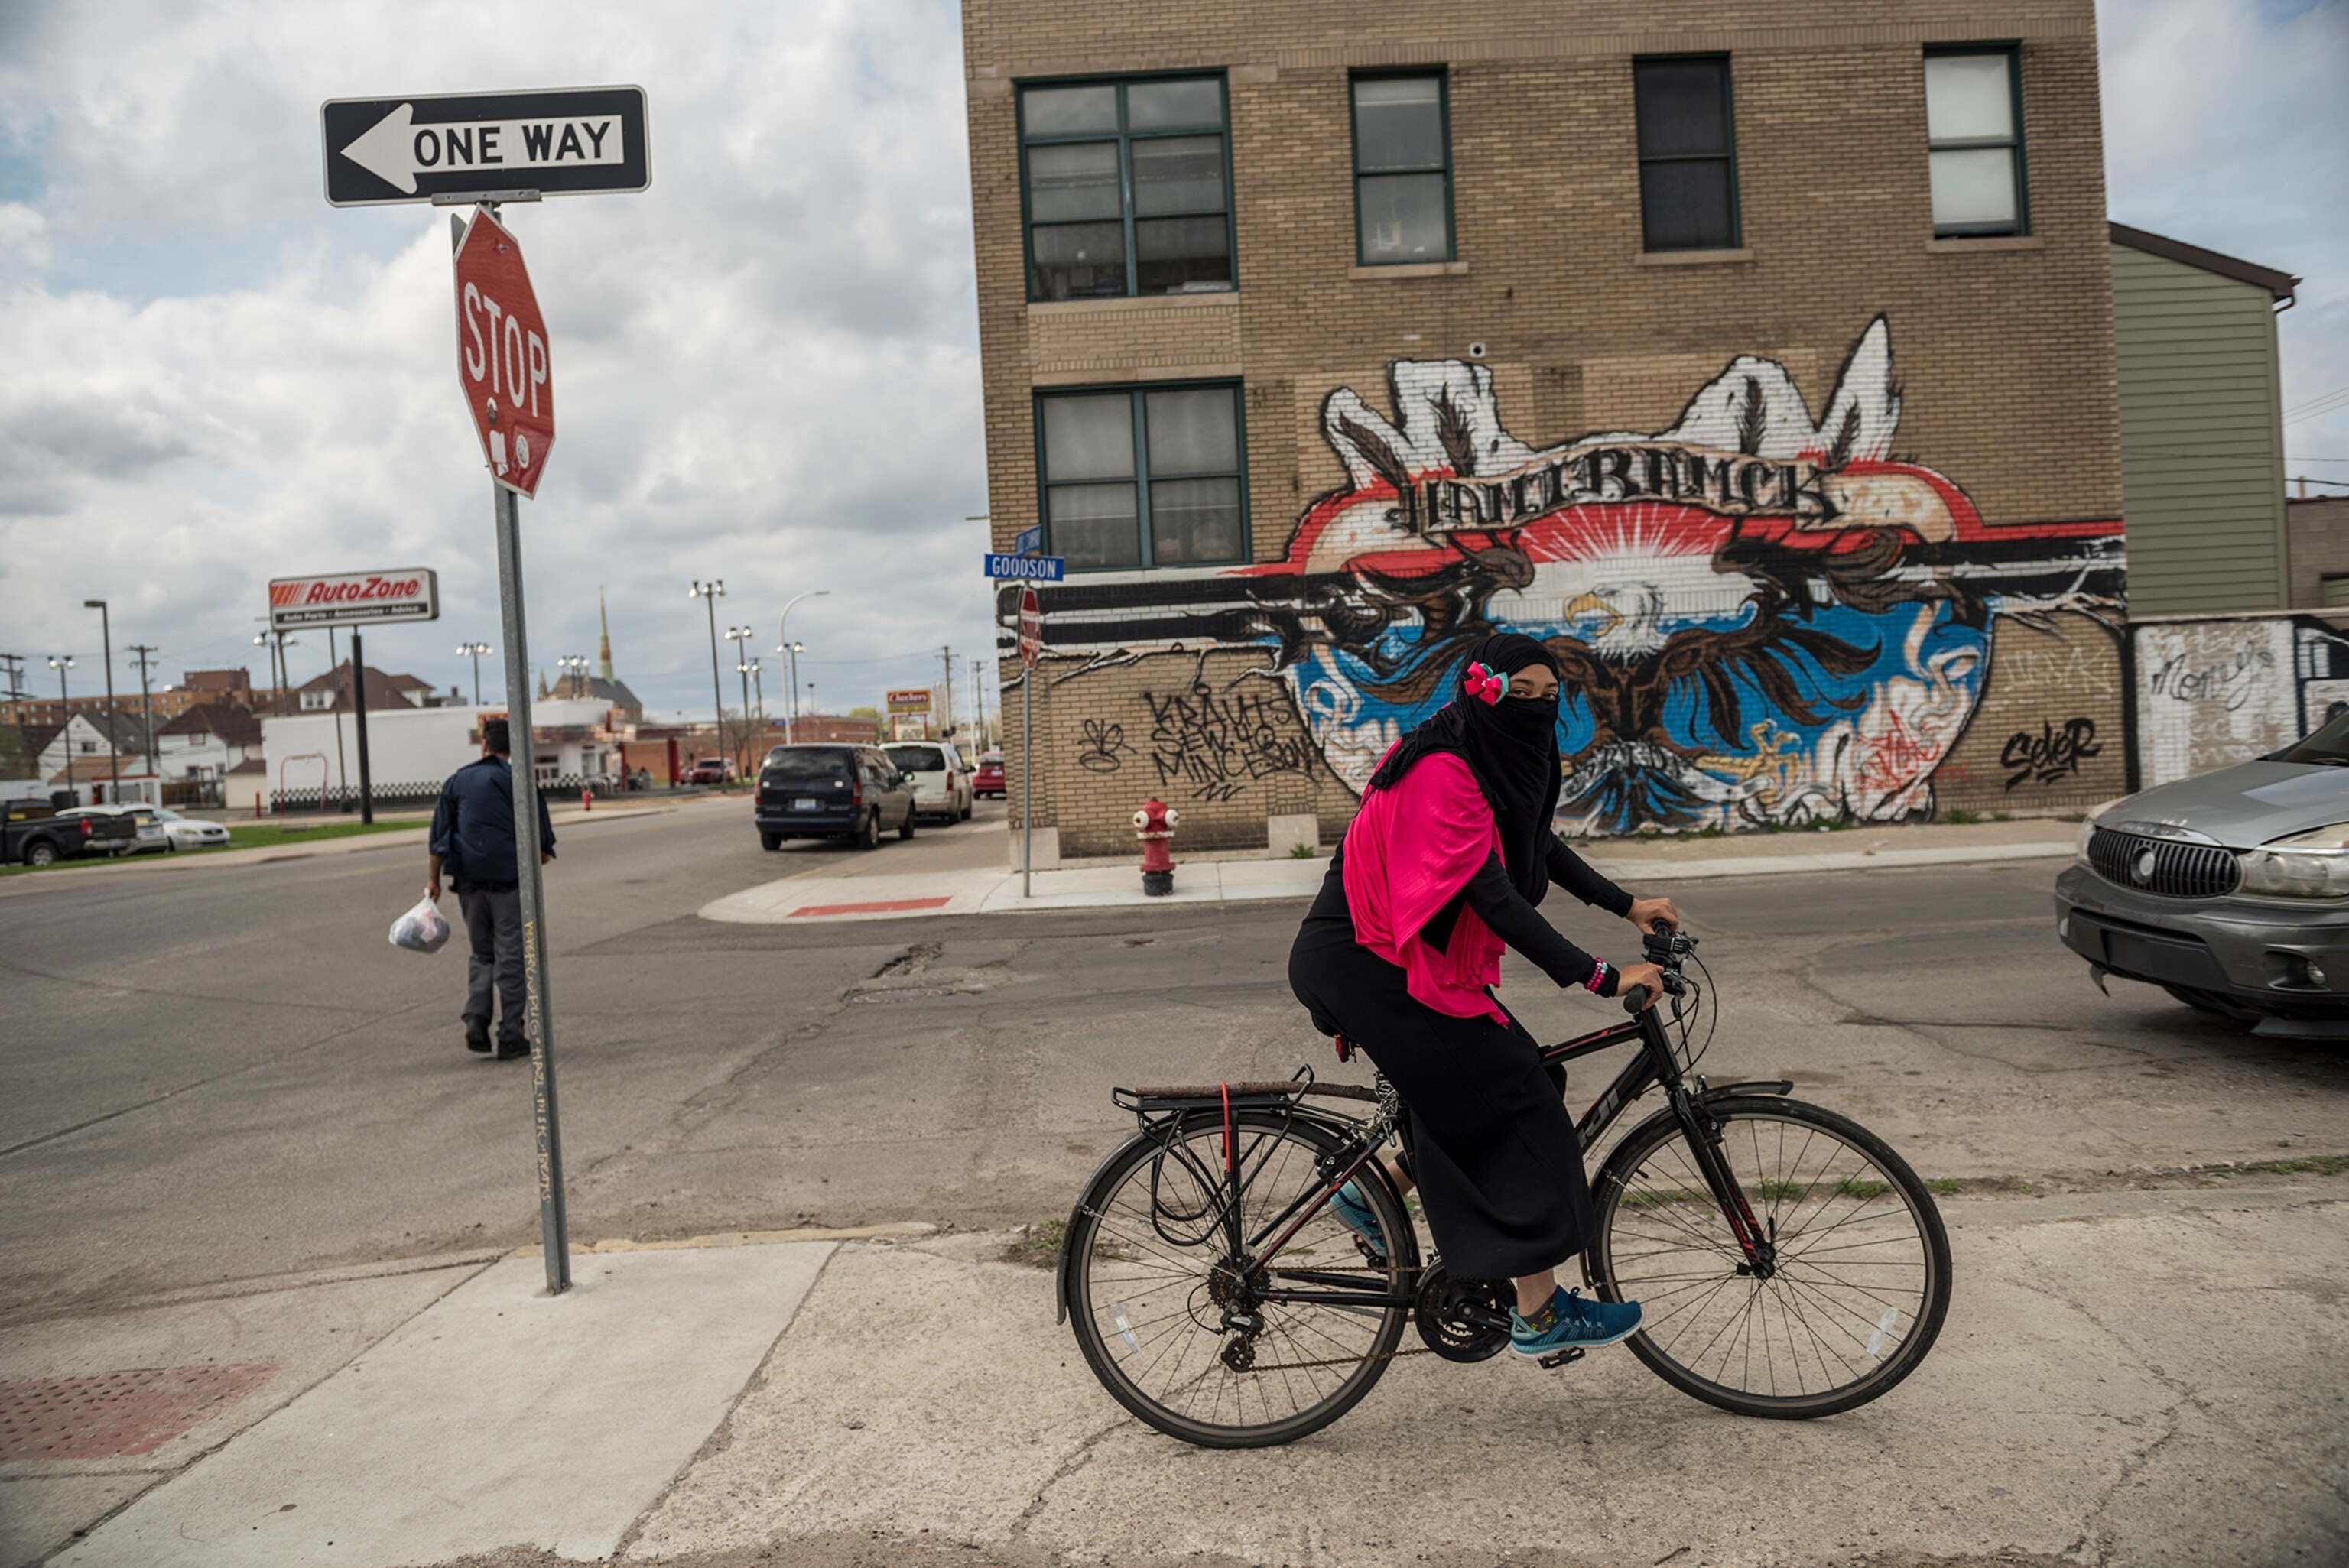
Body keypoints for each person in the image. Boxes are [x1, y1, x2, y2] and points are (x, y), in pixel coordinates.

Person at [1288, 631, 1682, 1362]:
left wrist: (1625, 904)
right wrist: (1600, 975)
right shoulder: (1444, 769)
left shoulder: (1487, 757)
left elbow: (1538, 846)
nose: (1532, 708)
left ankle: (1371, 1188)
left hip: (1393, 956)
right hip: (1367, 959)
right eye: (1517, 693)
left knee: (1517, 1072)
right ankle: (1538, 1312)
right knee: (1513, 1093)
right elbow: (1492, 895)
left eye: (1546, 696)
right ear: (1479, 689)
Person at [425, 718, 555, 1061]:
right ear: (513, 748)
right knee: (512, 958)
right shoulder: (521, 782)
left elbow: (439, 838)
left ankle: (476, 1019)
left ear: (484, 745)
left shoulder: (457, 781)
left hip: (469, 888)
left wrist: (434, 881)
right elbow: (542, 850)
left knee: (482, 954)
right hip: (509, 887)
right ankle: (511, 1034)